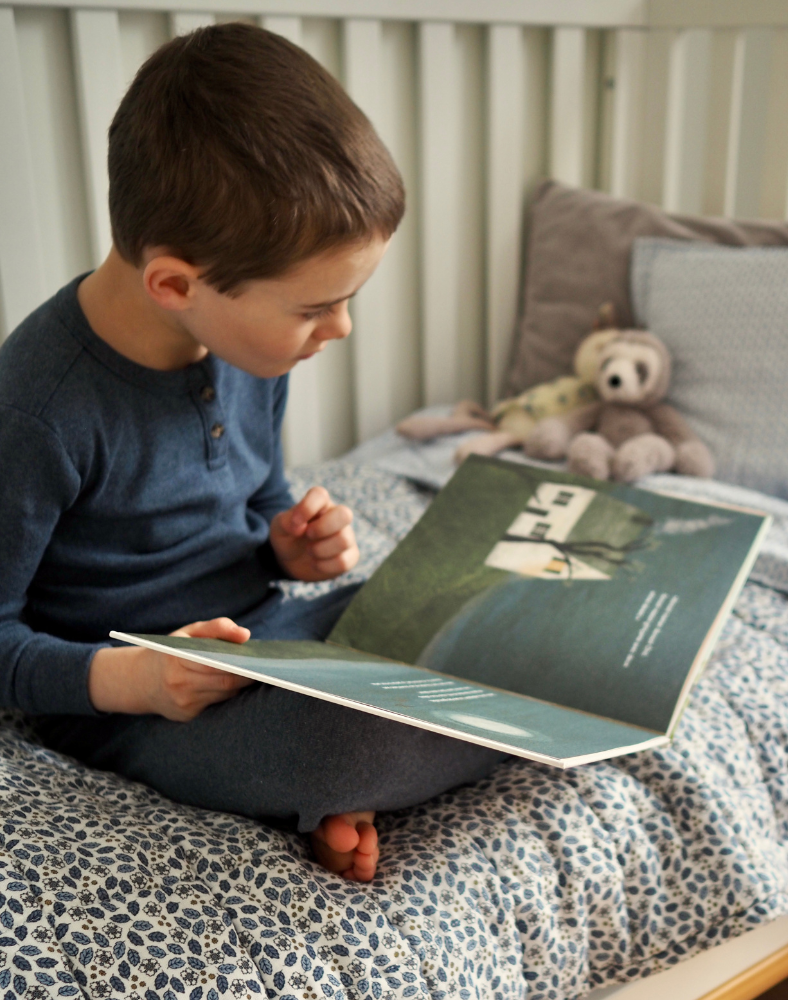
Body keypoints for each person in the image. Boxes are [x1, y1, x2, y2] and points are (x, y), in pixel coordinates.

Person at [0, 23, 504, 882]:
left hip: (274, 638)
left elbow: (260, 493)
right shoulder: (39, 412)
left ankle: (342, 772)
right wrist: (139, 681)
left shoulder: (250, 349)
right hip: (148, 706)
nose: (339, 329)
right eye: (316, 308)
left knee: (490, 598)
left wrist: (287, 543)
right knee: (342, 742)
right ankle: (332, 777)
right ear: (175, 284)